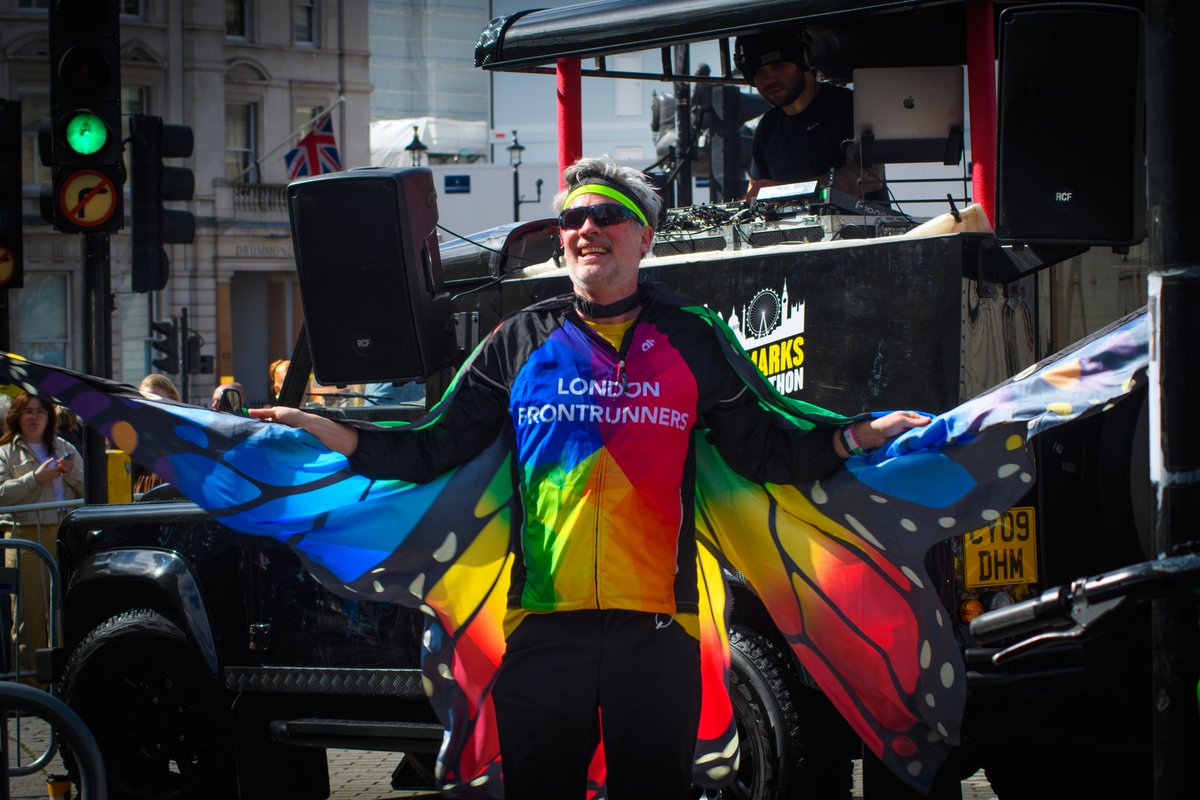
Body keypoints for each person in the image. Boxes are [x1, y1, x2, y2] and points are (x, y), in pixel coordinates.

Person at [249, 155, 928, 798]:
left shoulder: (692, 336)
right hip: (542, 629)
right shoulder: (520, 340)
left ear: (644, 238)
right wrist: (330, 432)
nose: (585, 230)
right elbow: (435, 447)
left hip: (659, 631)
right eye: (571, 220)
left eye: (605, 215)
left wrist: (855, 435)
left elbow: (765, 447)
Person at [735, 29, 886, 202]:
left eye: (777, 66)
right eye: (759, 72)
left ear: (805, 59)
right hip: (789, 230)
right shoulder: (767, 127)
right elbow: (755, 191)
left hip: (857, 228)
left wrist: (786, 191)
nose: (769, 79)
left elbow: (869, 177)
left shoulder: (848, 106)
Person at [0, 392, 84, 681]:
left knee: (63, 615)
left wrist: (71, 474)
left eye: (41, 412)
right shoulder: (6, 452)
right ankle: (29, 687)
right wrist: (35, 478)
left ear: (50, 417)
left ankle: (64, 683)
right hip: (25, 538)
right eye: (28, 411)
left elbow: (92, 487)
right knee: (28, 617)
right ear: (17, 416)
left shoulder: (63, 447)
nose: (34, 417)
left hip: (63, 535)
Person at [134, 374, 182, 496]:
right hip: (137, 508)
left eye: (158, 401)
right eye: (145, 401)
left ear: (172, 401)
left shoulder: (183, 434)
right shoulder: (130, 434)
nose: (151, 407)